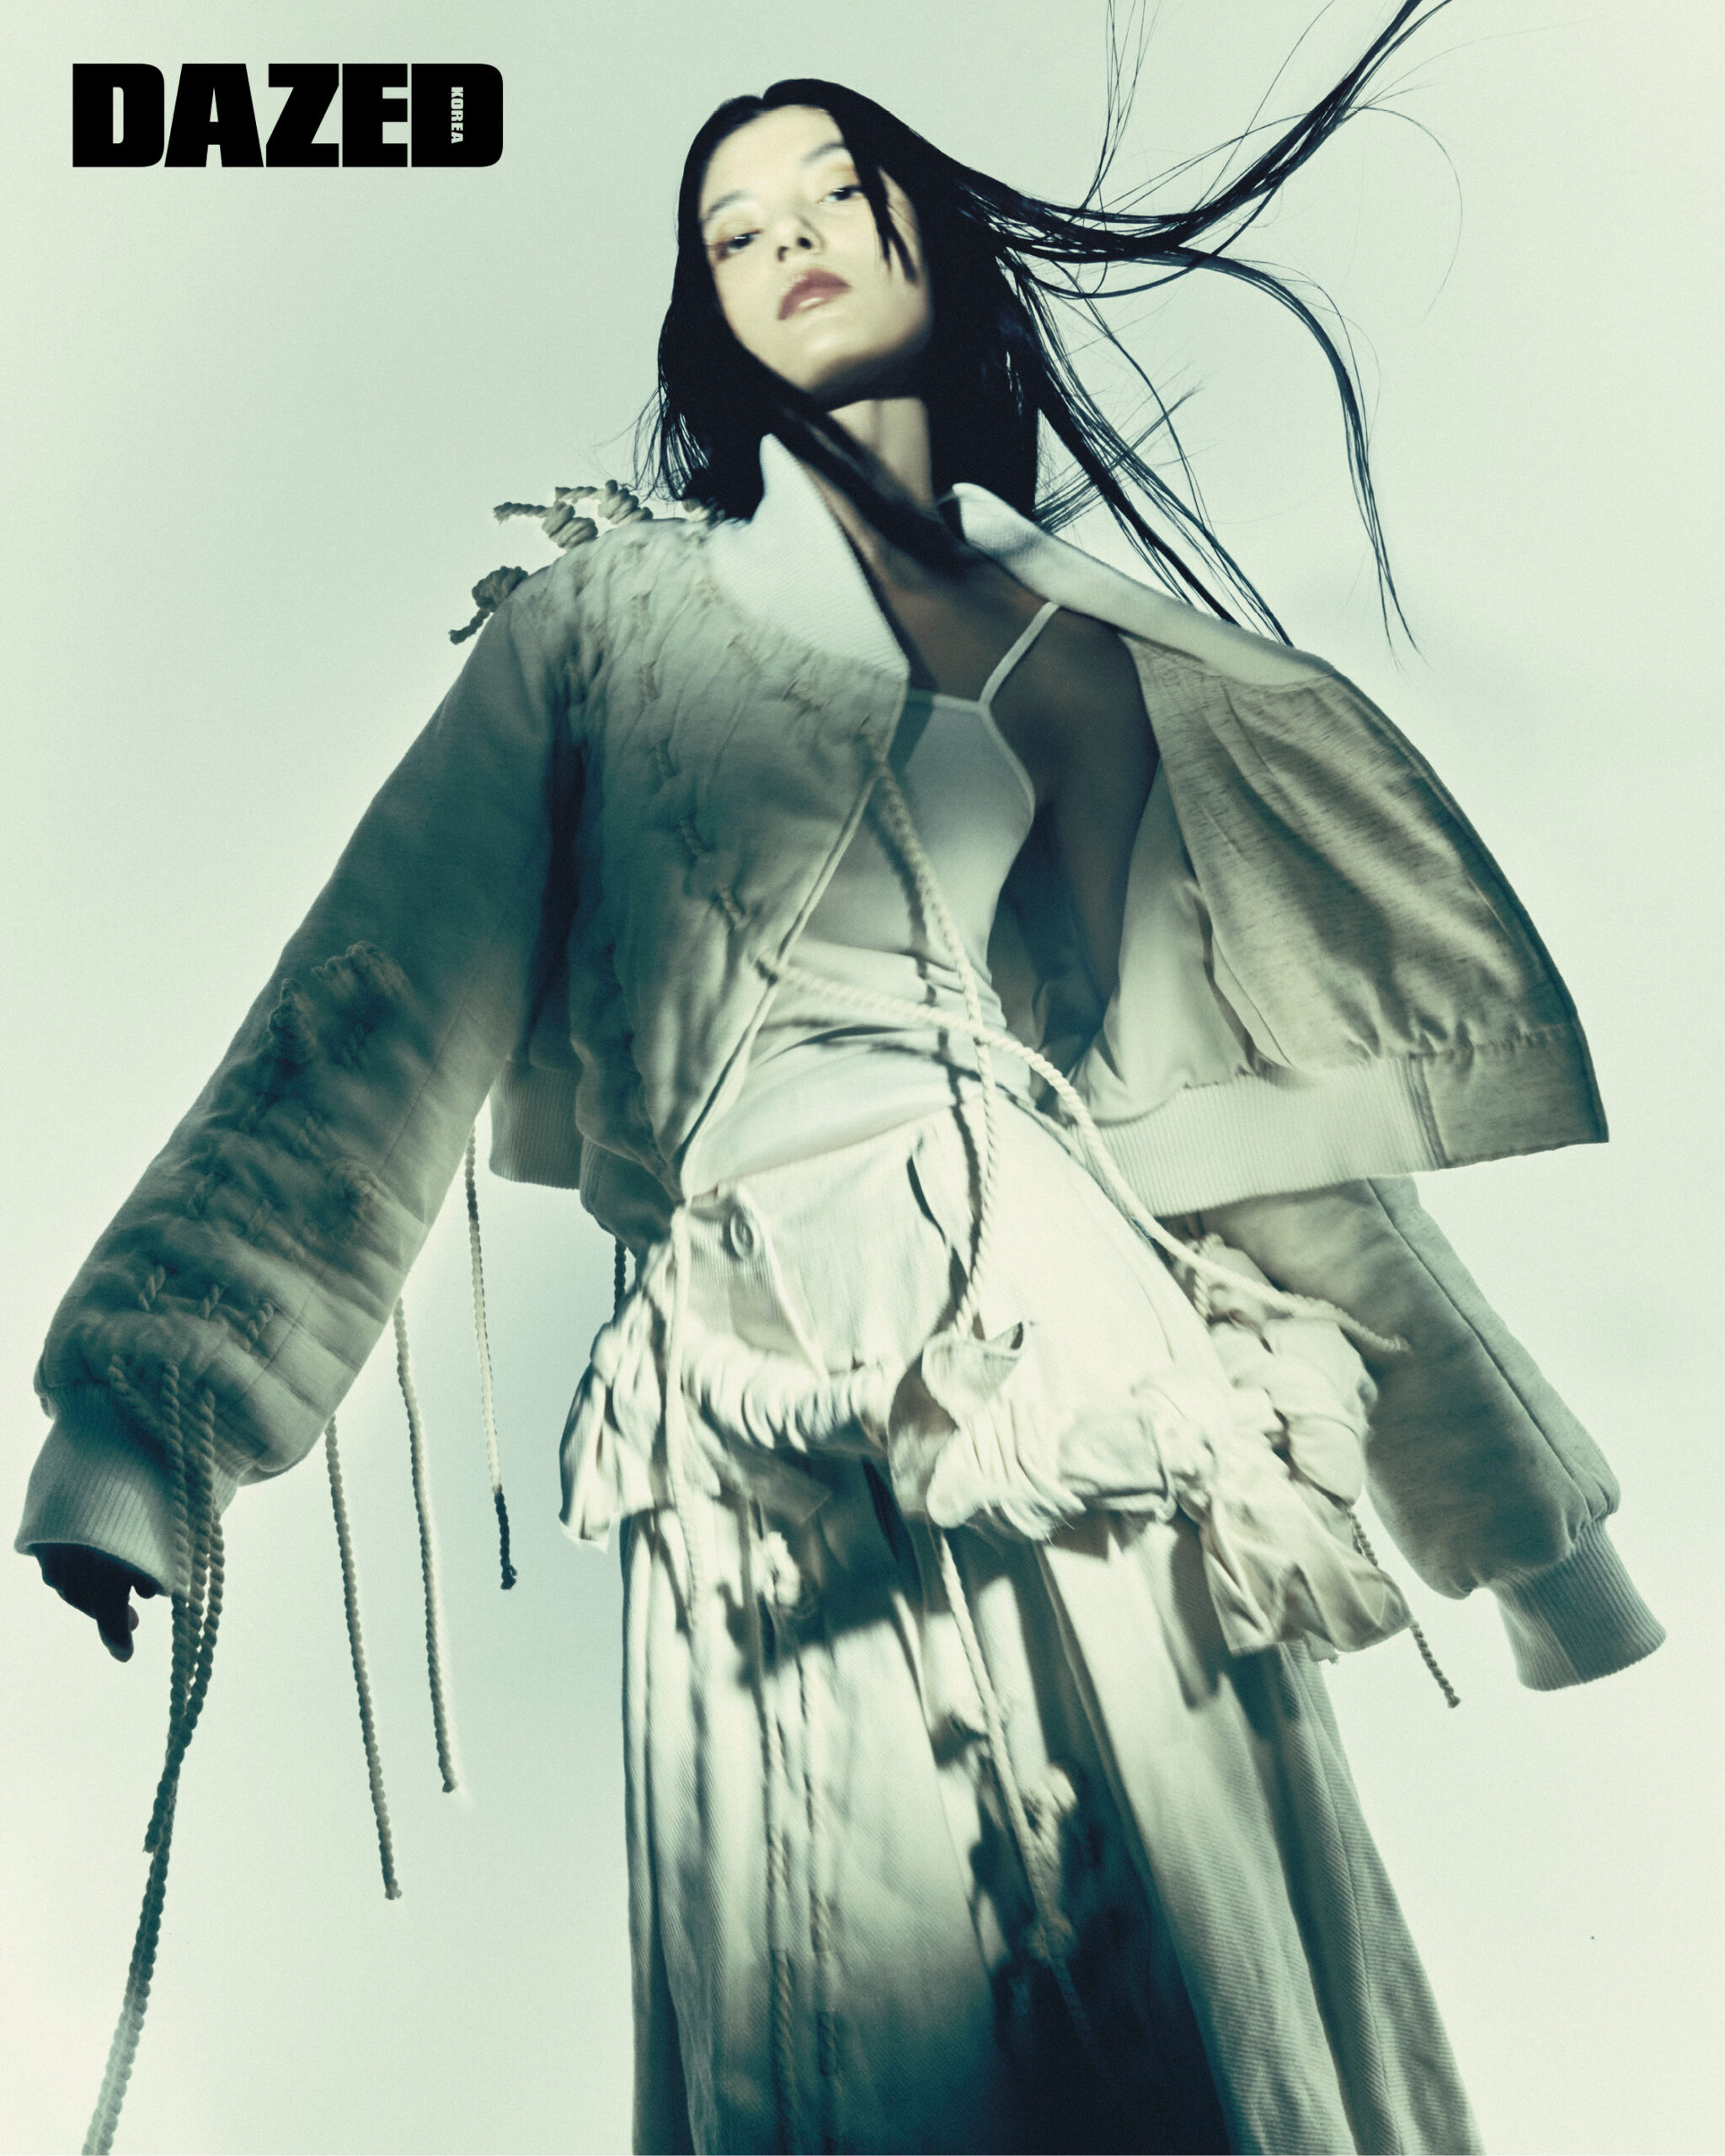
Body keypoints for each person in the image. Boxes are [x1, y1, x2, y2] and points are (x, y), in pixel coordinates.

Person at [19, 16, 1665, 2155]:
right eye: (732, 231)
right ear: (703, 316)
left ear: (929, 248)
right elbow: (379, 1005)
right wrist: (142, 1431)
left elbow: (1245, 1145)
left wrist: (1530, 1536)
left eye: (833, 196)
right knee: (838, 2010)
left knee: (1202, 2012)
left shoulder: (1093, 659)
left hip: (1093, 1379)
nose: (785, 237)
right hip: (756, 1380)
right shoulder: (606, 626)